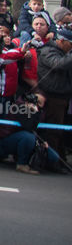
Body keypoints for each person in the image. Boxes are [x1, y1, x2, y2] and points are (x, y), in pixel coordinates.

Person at [35, 27, 72, 160]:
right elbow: (59, 64)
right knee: (53, 131)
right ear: (61, 41)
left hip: (63, 97)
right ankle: (51, 160)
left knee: (60, 131)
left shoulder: (63, 52)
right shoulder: (47, 51)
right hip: (52, 96)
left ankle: (59, 159)